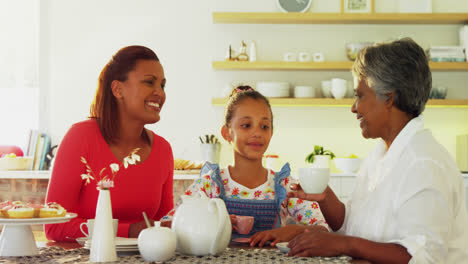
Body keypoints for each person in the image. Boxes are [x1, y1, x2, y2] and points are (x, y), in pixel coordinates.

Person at [287, 38, 468, 263]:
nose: (353, 107)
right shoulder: (380, 154)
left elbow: (421, 257)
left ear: (388, 98)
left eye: (360, 95)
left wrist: (343, 244)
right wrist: (324, 196)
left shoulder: (423, 163)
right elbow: (351, 226)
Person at [161, 86, 329, 247]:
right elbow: (168, 225)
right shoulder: (209, 185)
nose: (257, 133)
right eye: (246, 125)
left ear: (271, 133)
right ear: (227, 133)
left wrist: (293, 231)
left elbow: (323, 230)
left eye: (264, 126)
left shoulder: (284, 185)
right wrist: (212, 221)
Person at [45, 45, 174, 241]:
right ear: (117, 89)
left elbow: (164, 224)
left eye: (162, 86)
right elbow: (55, 226)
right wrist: (128, 231)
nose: (160, 93)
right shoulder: (80, 138)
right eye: (149, 82)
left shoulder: (163, 150)